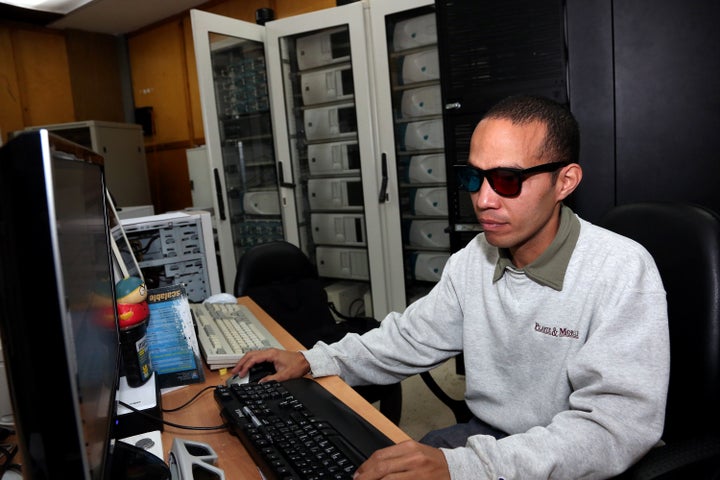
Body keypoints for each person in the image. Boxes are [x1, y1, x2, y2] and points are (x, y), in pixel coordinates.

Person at [232, 94, 670, 479]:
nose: (483, 199)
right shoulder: (474, 258)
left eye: (506, 180)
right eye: (473, 178)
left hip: (571, 458)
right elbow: (407, 339)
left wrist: (467, 467)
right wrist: (314, 360)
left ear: (565, 181)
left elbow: (614, 429)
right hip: (487, 438)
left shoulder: (620, 270)